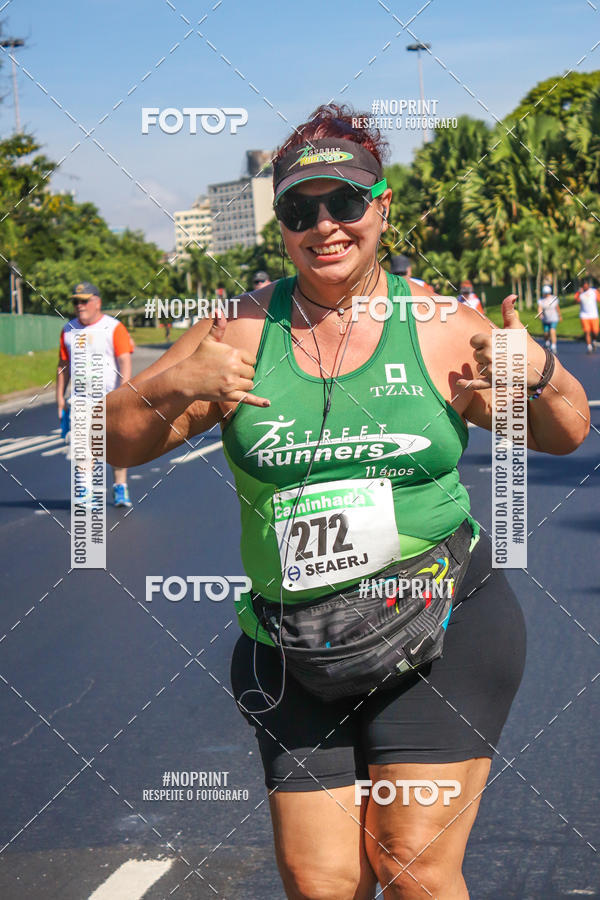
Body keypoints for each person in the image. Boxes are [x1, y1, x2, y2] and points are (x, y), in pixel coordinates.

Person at [106, 105, 589, 899]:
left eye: (345, 203)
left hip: (440, 628)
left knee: (413, 866)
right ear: (282, 225)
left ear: (382, 208)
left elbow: (566, 431)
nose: (324, 226)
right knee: (320, 879)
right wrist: (170, 385)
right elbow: (112, 441)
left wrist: (536, 371)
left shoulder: (437, 326)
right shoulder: (237, 332)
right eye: (301, 209)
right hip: (295, 641)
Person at [58, 281, 134, 507]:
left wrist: (123, 395)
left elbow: (124, 362)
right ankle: (86, 490)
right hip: (81, 398)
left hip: (111, 397)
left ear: (97, 302)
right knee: (82, 444)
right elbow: (63, 366)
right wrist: (60, 399)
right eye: (76, 302)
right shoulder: (68, 330)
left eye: (84, 301)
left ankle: (120, 487)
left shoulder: (114, 327)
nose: (79, 305)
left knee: (115, 445)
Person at [574, 279, 600, 353]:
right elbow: (575, 301)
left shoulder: (593, 292)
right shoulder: (580, 293)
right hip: (584, 315)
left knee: (595, 332)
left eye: (586, 285)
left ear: (588, 285)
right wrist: (579, 293)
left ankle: (594, 341)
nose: (585, 287)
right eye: (584, 286)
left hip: (594, 315)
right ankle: (589, 347)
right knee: (587, 331)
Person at [537, 284, 561, 355]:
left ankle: (553, 346)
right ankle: (547, 342)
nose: (546, 295)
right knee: (546, 333)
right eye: (545, 293)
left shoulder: (554, 299)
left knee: (552, 331)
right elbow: (540, 308)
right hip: (546, 319)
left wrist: (559, 315)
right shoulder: (541, 300)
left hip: (553, 318)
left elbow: (557, 307)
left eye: (547, 293)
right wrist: (540, 314)